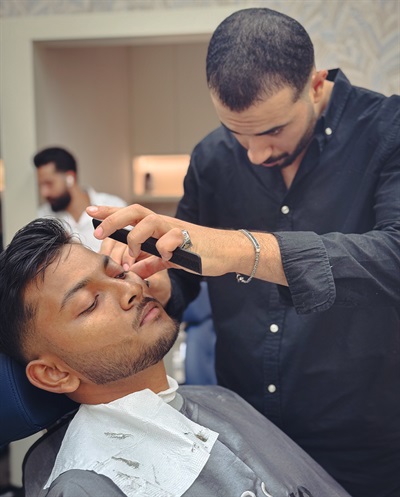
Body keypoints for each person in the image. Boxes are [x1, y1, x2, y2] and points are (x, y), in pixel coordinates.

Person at [89, 7, 400, 497]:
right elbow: (185, 277)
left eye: (273, 131)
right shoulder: (212, 157)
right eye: (238, 133)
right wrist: (159, 281)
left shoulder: (387, 130)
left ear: (315, 84)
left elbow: (393, 257)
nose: (255, 154)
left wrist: (243, 249)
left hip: (365, 440)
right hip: (249, 433)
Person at [0, 218, 351, 497]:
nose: (131, 287)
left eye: (117, 272)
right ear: (54, 373)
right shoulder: (87, 487)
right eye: (90, 303)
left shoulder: (220, 398)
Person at [33, 146, 126, 251]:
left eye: (49, 184)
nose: (44, 193)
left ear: (70, 178)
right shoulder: (43, 218)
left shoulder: (115, 206)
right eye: (41, 185)